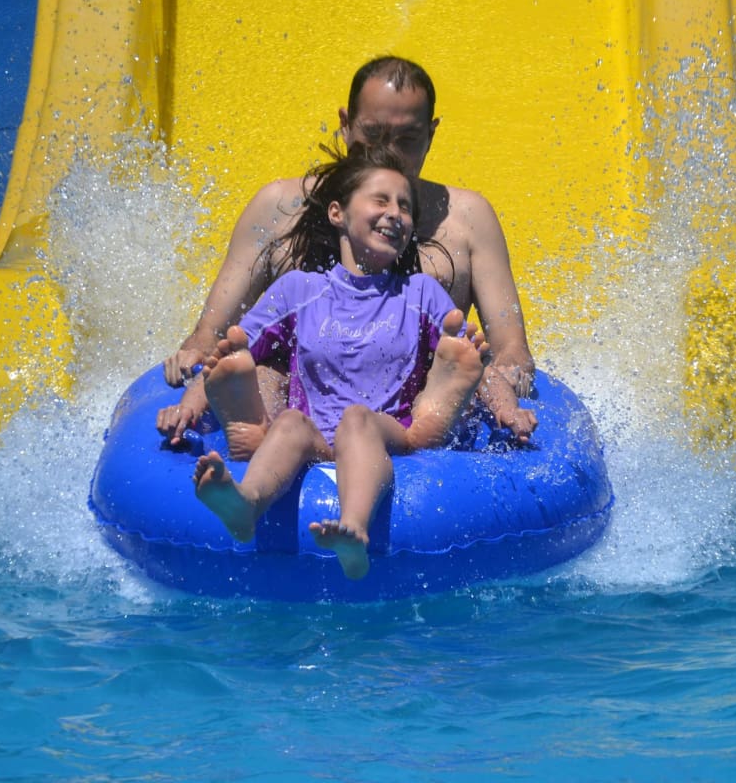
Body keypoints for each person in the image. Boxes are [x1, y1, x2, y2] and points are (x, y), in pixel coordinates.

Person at [159, 56, 537, 450]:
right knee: (265, 372)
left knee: (465, 364)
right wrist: (195, 364)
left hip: (412, 411)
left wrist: (507, 379)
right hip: (297, 405)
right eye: (372, 134)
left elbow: (510, 347)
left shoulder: (469, 219)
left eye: (407, 139)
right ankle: (257, 443)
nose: (388, 151)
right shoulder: (277, 209)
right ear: (345, 124)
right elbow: (215, 334)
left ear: (431, 134)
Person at [188, 143, 499, 580]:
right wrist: (192, 400)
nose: (396, 214)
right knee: (290, 423)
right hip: (318, 439)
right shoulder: (299, 289)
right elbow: (230, 352)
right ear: (338, 213)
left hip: (391, 431)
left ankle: (354, 526)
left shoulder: (421, 294)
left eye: (406, 207)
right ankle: (245, 502)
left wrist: (507, 408)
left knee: (358, 419)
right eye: (381, 200)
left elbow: (474, 358)